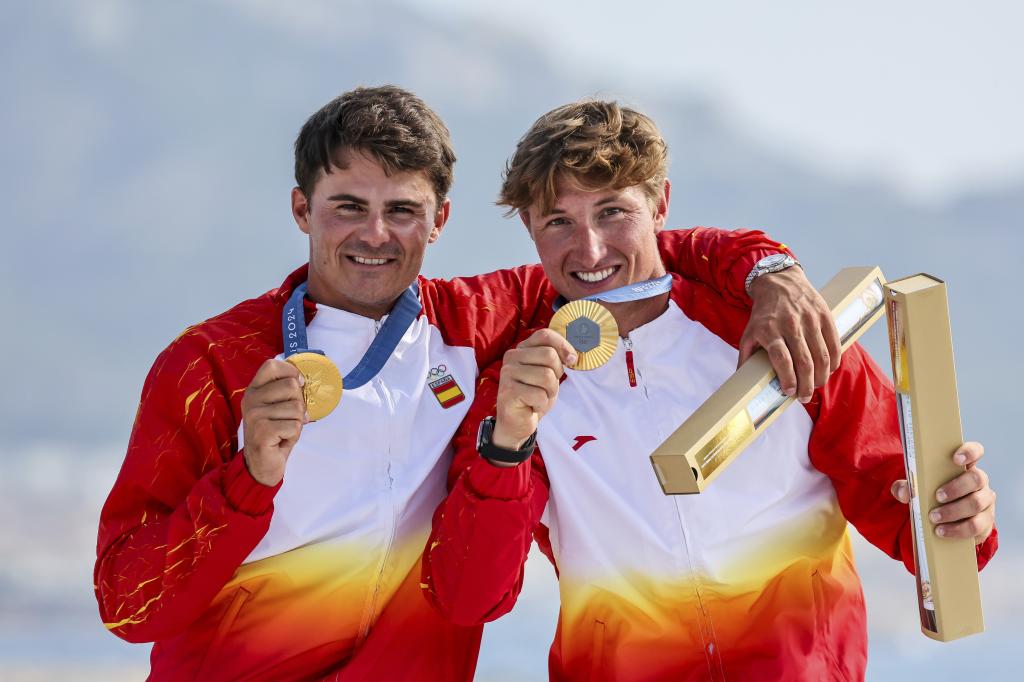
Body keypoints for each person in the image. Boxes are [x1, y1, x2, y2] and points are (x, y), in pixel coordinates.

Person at [93, 86, 833, 681]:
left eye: (403, 211)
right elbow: (128, 607)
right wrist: (246, 479)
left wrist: (768, 268)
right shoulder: (209, 366)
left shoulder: (478, 321)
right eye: (348, 205)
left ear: (439, 220)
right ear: (301, 209)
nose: (375, 235)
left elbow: (622, 255)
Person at [421, 100, 999, 681]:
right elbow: (470, 599)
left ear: (660, 205)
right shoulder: (520, 387)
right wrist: (508, 445)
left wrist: (962, 513)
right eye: (558, 222)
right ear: (529, 229)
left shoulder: (777, 330)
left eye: (613, 212)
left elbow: (931, 532)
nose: (590, 249)